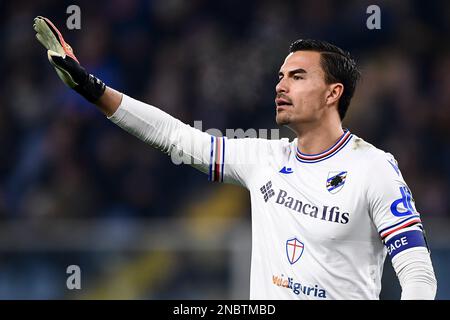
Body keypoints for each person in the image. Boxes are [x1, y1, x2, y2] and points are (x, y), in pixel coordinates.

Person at [33, 16, 437, 300]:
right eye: (280, 76)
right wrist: (93, 89)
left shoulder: (374, 168)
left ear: (334, 93)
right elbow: (176, 137)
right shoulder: (263, 157)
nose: (281, 84)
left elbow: (417, 273)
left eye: (297, 76)